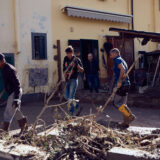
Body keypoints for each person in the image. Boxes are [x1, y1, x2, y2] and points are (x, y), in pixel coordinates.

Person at [0, 53, 28, 133]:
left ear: (2, 61)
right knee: (16, 111)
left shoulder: (9, 69)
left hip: (15, 92)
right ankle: (25, 128)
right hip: (13, 92)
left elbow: (17, 84)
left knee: (8, 112)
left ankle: (4, 131)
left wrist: (16, 98)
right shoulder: (4, 68)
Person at [109, 48, 135, 128]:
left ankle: (129, 115)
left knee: (116, 103)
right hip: (127, 84)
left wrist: (119, 81)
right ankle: (126, 122)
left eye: (111, 54)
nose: (110, 56)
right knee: (123, 105)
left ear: (115, 54)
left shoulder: (117, 60)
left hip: (122, 85)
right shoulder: (122, 60)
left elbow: (122, 69)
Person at [63, 46, 84, 115]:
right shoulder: (65, 59)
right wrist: (65, 74)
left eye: (69, 53)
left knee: (70, 98)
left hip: (74, 80)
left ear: (72, 52)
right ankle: (77, 104)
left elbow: (81, 70)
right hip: (67, 80)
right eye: (67, 53)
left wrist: (76, 65)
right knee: (66, 96)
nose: (68, 55)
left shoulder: (76, 59)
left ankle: (71, 113)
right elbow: (64, 69)